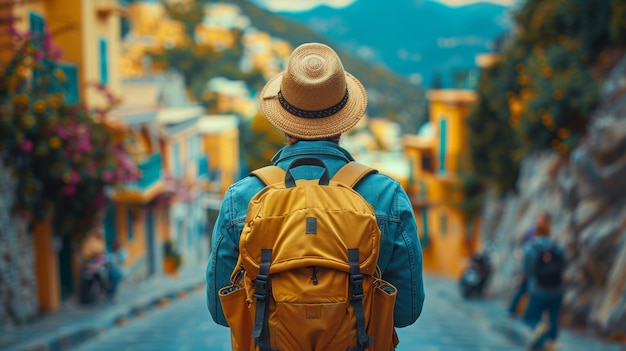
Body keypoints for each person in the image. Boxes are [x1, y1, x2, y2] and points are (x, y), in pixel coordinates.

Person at [206, 42, 425, 337]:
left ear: (284, 122)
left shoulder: (242, 197)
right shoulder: (387, 195)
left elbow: (222, 312)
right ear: (343, 121)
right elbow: (406, 312)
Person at [521, 212, 565, 350]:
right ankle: (550, 341)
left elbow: (527, 270)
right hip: (557, 288)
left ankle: (538, 329)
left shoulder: (531, 247)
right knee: (553, 317)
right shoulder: (556, 247)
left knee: (532, 317)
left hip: (538, 287)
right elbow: (563, 266)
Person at [508, 212, 545, 316]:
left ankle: (515, 310)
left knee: (525, 290)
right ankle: (521, 312)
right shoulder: (533, 230)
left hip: (532, 265)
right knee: (528, 290)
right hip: (530, 265)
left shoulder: (534, 230)